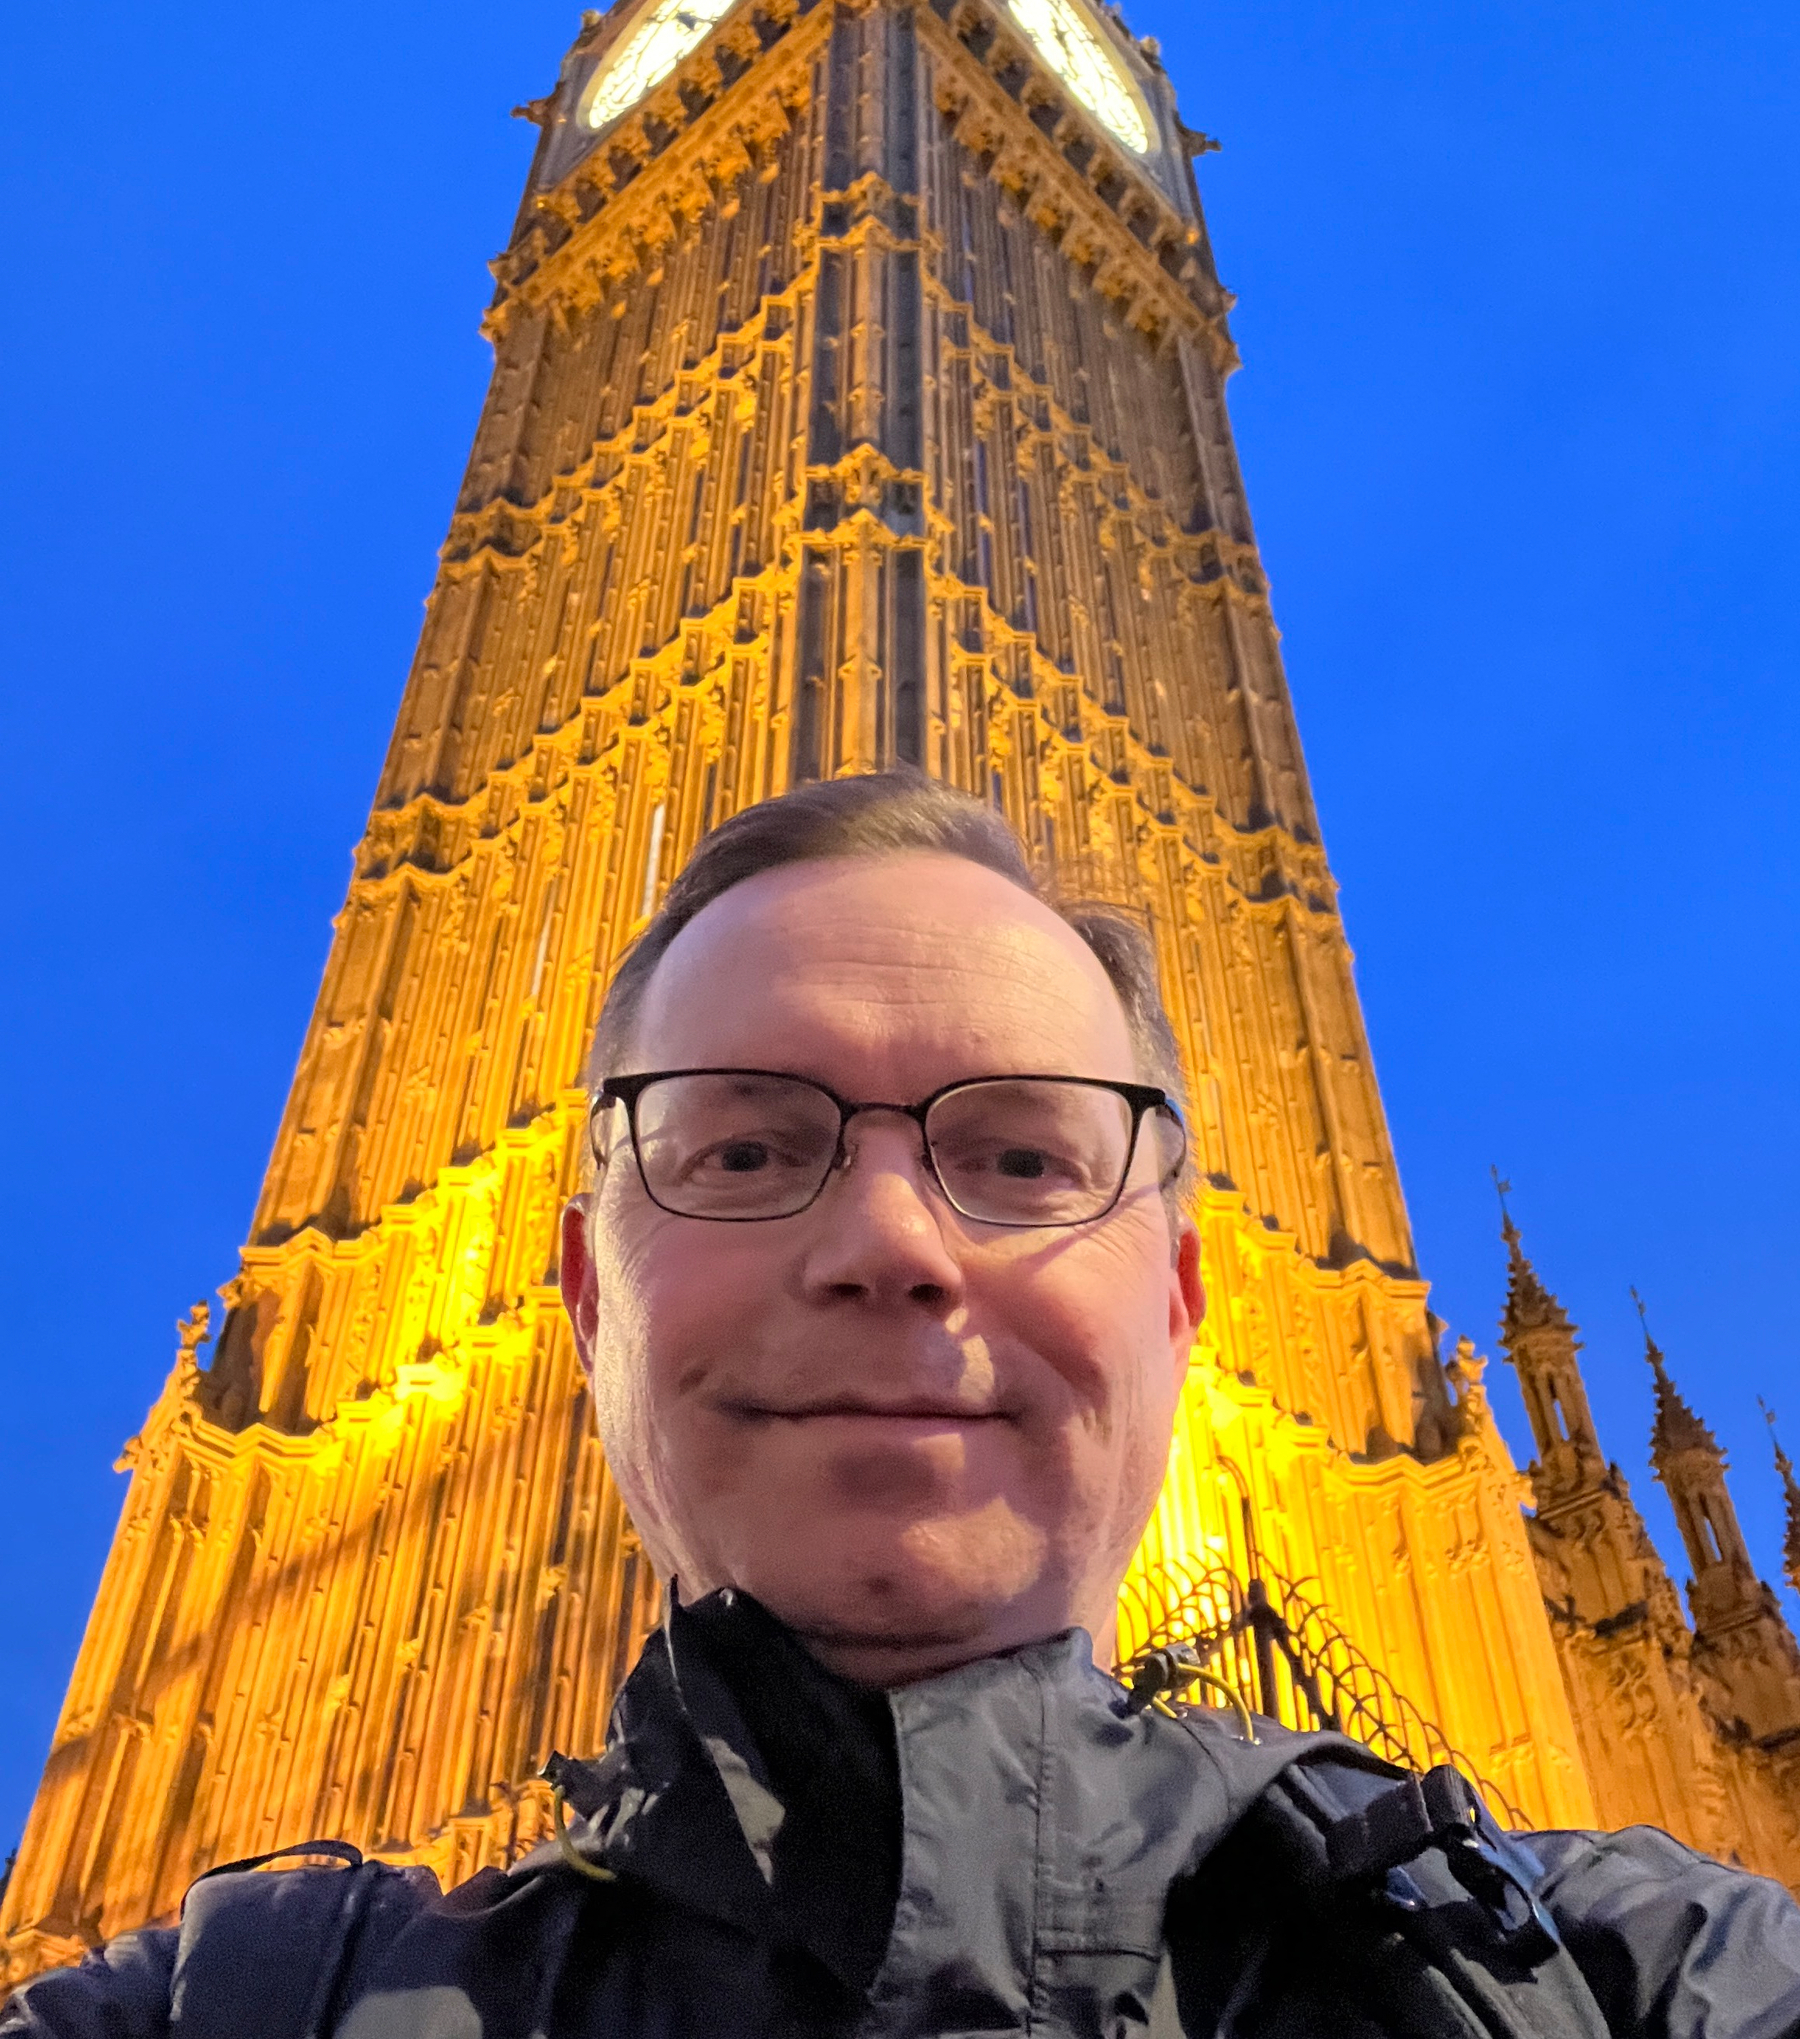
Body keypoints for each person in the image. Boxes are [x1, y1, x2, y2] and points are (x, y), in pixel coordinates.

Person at [8, 770, 1800, 2038]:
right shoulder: (245, 2000)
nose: (890, 1244)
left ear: (1181, 1298)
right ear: (584, 1294)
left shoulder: (1612, 1977)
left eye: (1017, 1153)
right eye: (750, 1145)